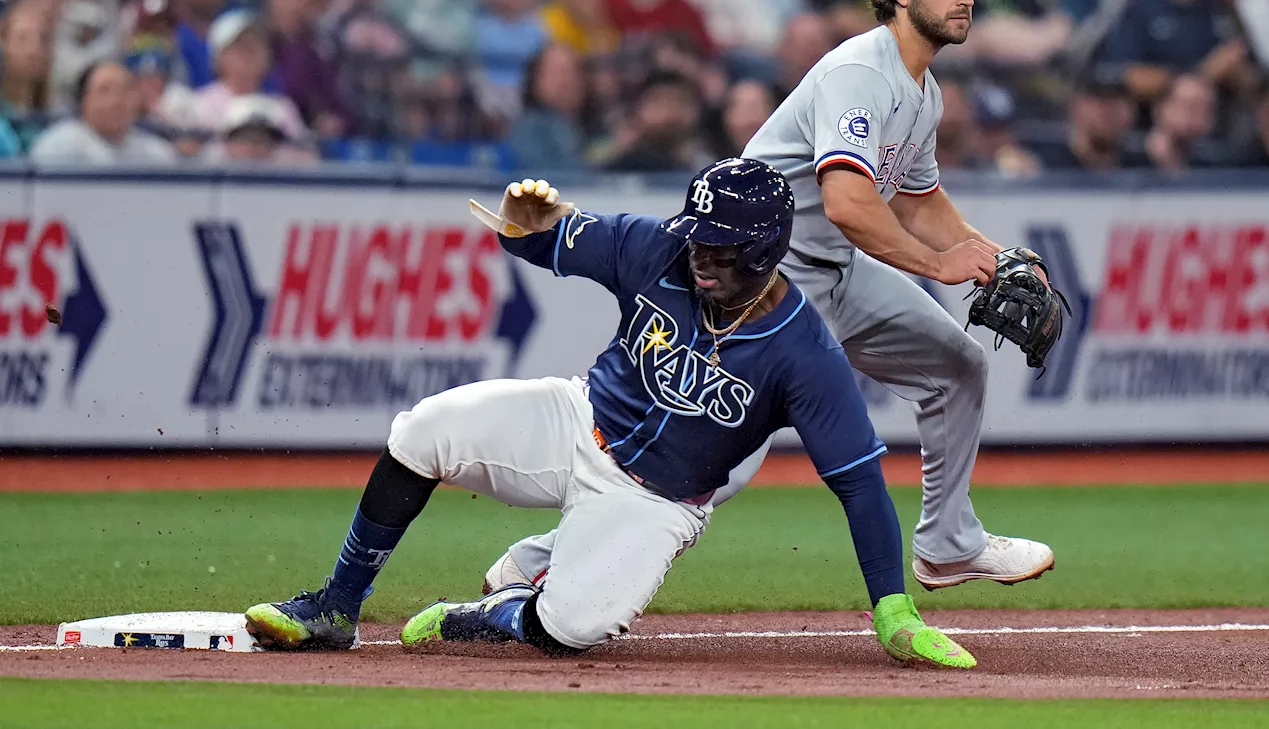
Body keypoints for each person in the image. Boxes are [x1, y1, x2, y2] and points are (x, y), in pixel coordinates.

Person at [479, 0, 1056, 597]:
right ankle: (540, 559)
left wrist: (994, 254)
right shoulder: (859, 75)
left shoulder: (921, 91)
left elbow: (921, 200)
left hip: (837, 270)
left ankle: (950, 543)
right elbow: (847, 202)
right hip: (761, 279)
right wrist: (938, 265)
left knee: (957, 366)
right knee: (717, 460)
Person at [243, 159, 976, 669]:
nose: (700, 259)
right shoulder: (656, 246)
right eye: (698, 239)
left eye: (720, 251)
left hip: (656, 500)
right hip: (576, 419)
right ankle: (335, 607)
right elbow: (540, 240)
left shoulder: (805, 355)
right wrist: (521, 225)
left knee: (574, 627)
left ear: (764, 251)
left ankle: (488, 611)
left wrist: (893, 608)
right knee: (422, 430)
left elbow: (858, 486)